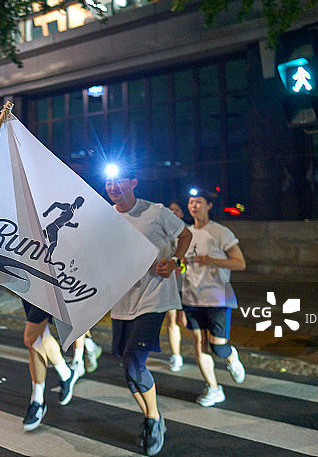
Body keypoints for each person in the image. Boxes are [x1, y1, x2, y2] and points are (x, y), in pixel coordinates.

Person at [105, 171, 191, 456]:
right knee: (129, 368)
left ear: (133, 183)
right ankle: (152, 416)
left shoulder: (156, 212)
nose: (113, 187)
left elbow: (185, 234)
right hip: (122, 302)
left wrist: (176, 262)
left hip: (154, 298)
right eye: (108, 183)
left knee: (133, 362)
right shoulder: (104, 217)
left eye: (119, 182)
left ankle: (153, 419)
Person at [181, 189, 246, 407]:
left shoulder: (220, 232)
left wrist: (212, 260)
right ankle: (214, 388)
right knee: (199, 345)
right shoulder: (185, 233)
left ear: (209, 205)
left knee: (217, 346)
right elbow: (181, 266)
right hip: (191, 298)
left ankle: (230, 356)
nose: (194, 206)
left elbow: (239, 263)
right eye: (191, 202)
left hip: (218, 297)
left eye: (198, 202)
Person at [21, 300, 79, 431]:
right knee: (43, 334)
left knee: (31, 338)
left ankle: (37, 401)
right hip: (30, 285)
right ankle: (67, 374)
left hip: (47, 286)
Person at [165, 200, 188, 372]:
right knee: (171, 320)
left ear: (182, 214)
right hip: (170, 282)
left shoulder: (188, 233)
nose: (172, 212)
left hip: (187, 284)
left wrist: (180, 266)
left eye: (177, 210)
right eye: (170, 209)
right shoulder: (162, 233)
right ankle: (176, 355)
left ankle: (202, 353)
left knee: (184, 320)